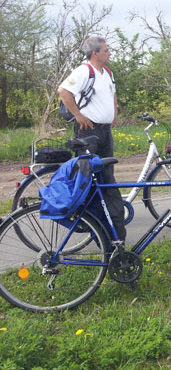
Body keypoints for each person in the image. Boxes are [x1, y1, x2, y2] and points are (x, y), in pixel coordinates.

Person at [58, 36, 126, 242]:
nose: (109, 53)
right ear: (95, 53)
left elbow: (112, 94)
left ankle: (110, 225)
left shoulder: (108, 73)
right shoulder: (84, 71)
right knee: (86, 178)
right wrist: (78, 115)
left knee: (107, 176)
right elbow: (63, 91)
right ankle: (85, 219)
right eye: (106, 50)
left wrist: (114, 114)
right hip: (88, 132)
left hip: (105, 132)